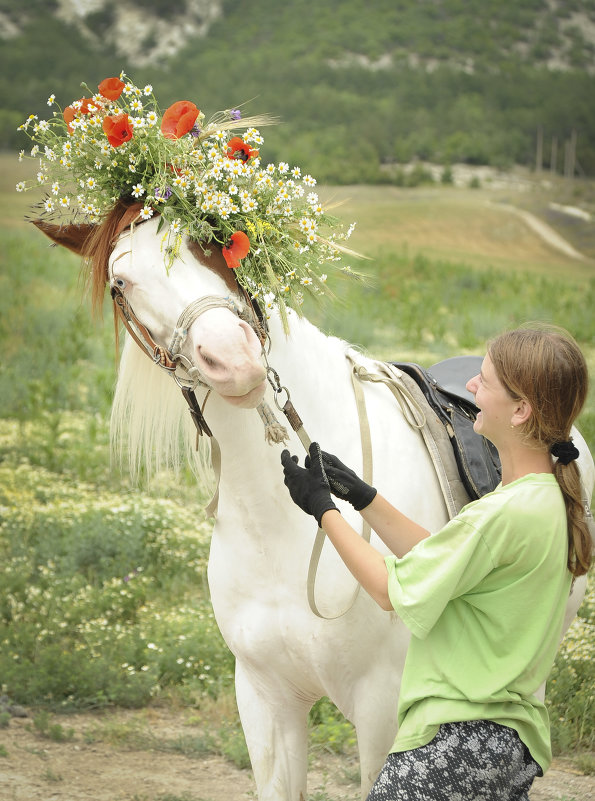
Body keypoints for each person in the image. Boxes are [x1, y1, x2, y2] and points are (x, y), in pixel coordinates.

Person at [281, 325, 592, 801]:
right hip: (508, 745)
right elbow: (442, 557)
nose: (470, 387)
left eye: (484, 382)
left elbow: (388, 589)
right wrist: (363, 498)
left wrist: (323, 510)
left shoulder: (500, 513)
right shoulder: (543, 498)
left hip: (456, 744)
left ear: (522, 410)